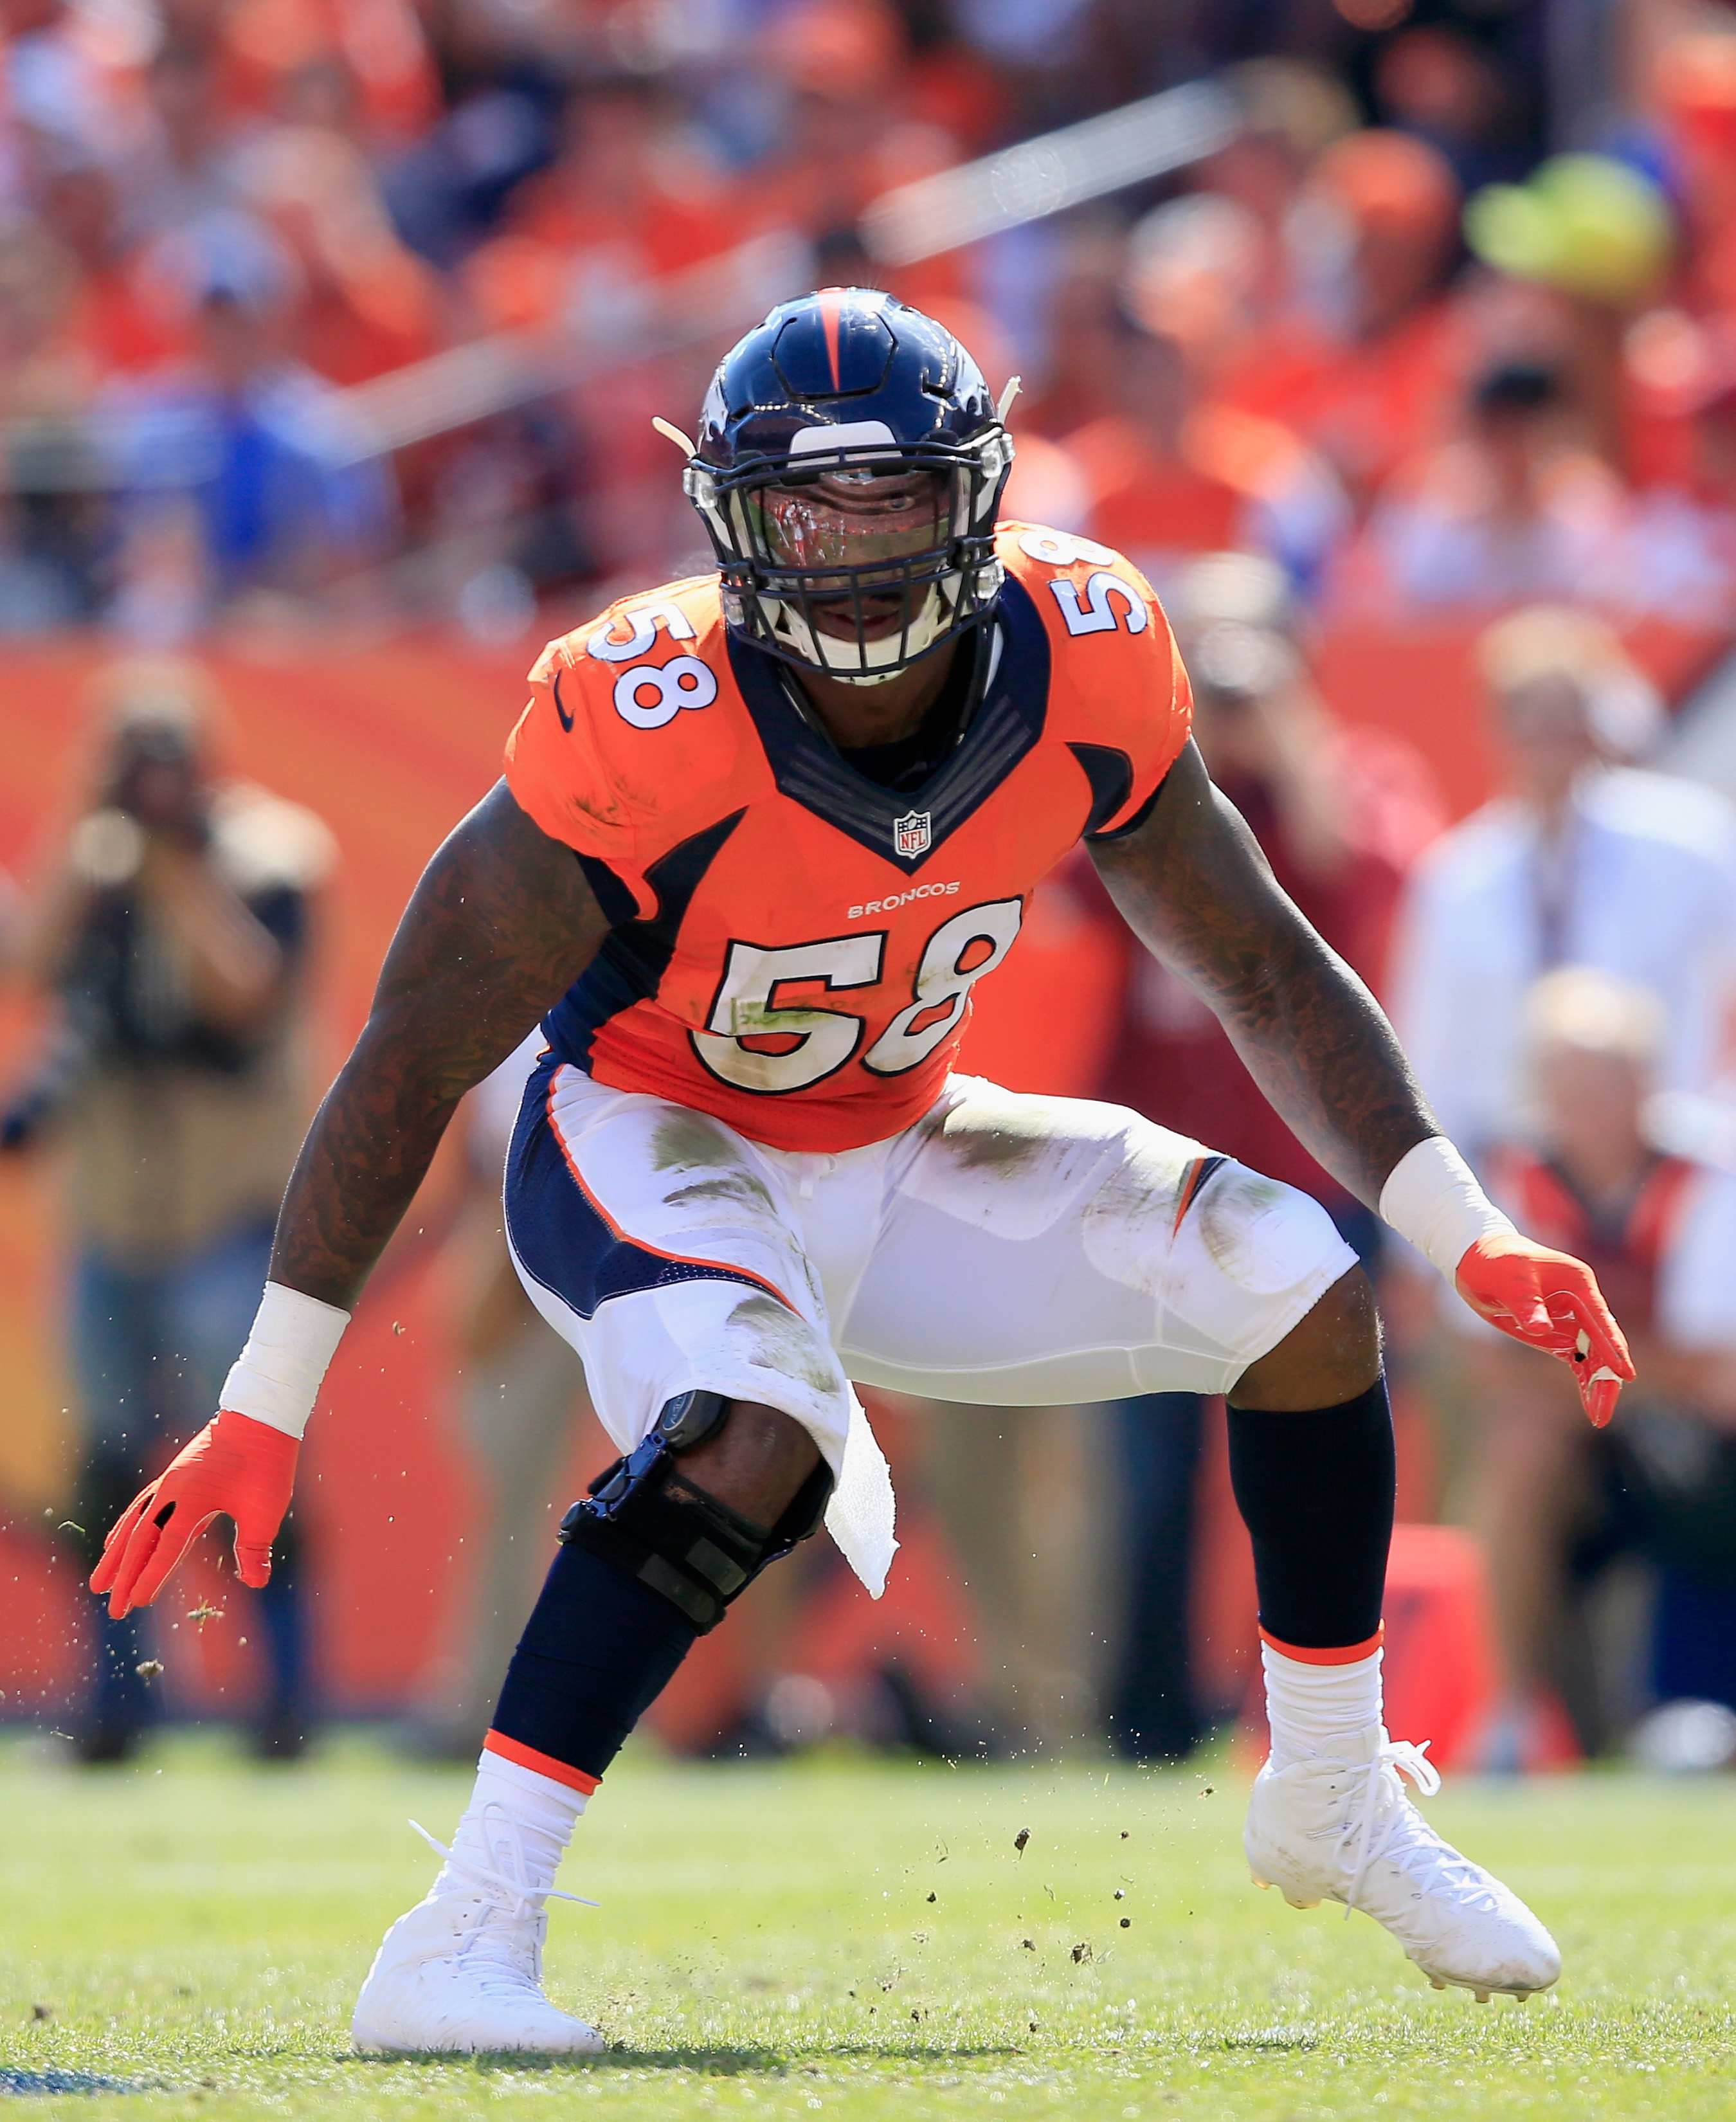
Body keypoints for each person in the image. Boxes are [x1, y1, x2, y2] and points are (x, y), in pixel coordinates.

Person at [89, 291, 1629, 2051]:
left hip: (894, 1138)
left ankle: (1332, 1792)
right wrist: (269, 1398)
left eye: (889, 502)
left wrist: (1465, 1225)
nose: (846, 556)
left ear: (973, 497)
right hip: (646, 1132)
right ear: (730, 516)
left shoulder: (1086, 645)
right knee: (755, 1424)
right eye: (804, 511)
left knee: (1300, 1282)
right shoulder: (639, 708)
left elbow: (1264, 966)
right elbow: (411, 1051)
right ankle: (460, 1934)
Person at [5, 657, 332, 1760]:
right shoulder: (89, 864)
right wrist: (88, 832)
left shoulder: (271, 854)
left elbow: (247, 989)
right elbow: (29, 967)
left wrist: (170, 868)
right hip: (110, 1221)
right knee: (103, 1465)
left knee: (246, 1459)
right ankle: (118, 1701)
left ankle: (284, 1700)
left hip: (225, 1220)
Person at [1458, 968, 1736, 1768]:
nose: (1586, 1102)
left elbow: (1715, 1373)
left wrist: (1562, 1352)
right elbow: (1482, 1364)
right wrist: (1630, 1361)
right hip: (1593, 1444)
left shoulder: (1708, 1173)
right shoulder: (1507, 1178)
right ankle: (1511, 1714)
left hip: (1709, 1457)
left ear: (1648, 1081)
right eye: (1566, 1081)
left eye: (1606, 1079)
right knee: (1515, 1450)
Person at [1392, 604, 1736, 1166]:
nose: (1552, 737)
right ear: (1498, 724)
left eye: (1568, 713)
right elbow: (1433, 1057)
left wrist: (1717, 1135)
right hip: (1517, 1179)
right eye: (1532, 716)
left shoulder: (1692, 844)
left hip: (1673, 1168)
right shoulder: (1459, 878)